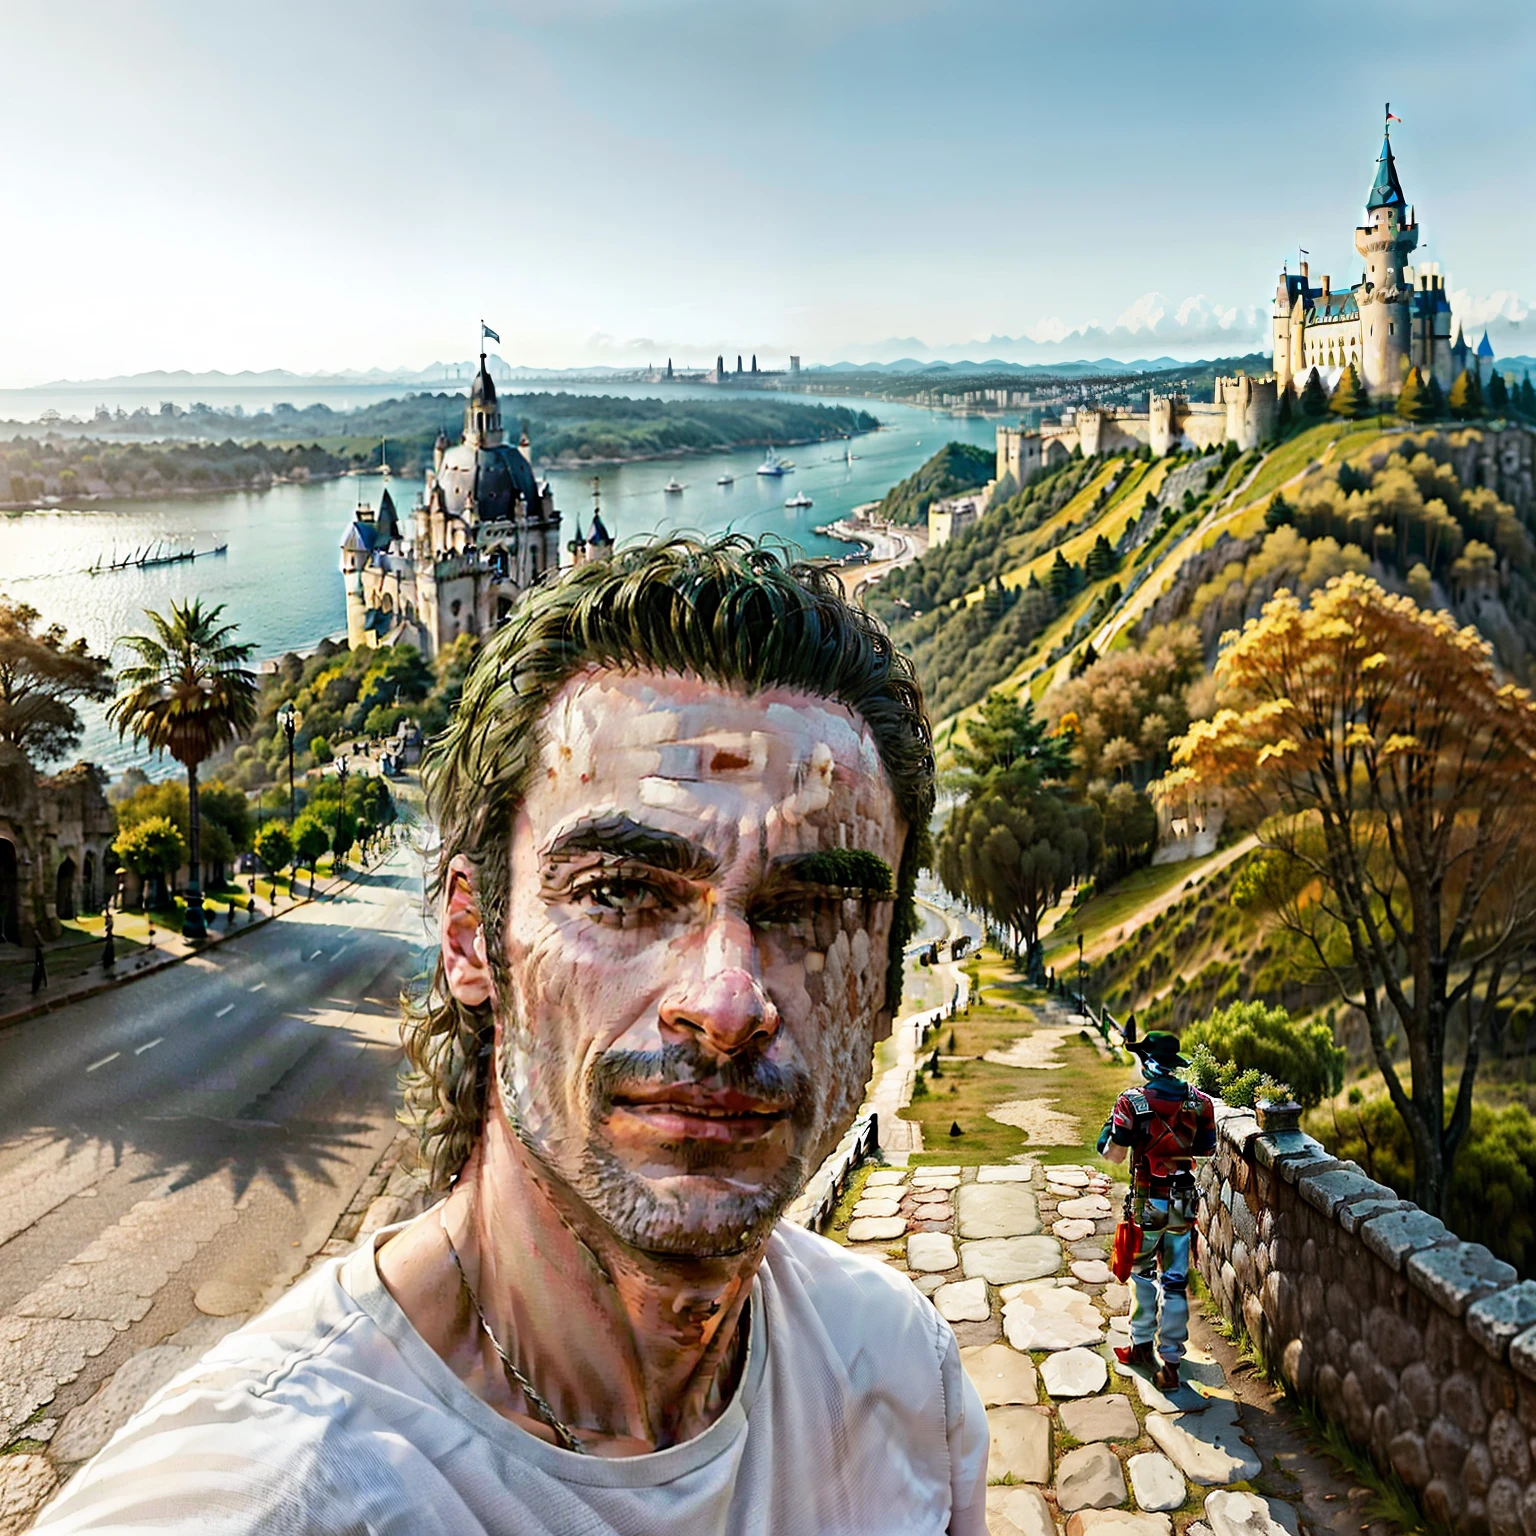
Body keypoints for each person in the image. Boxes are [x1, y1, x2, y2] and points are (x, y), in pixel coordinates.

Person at [36, 537, 989, 1534]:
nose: (726, 1001)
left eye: (812, 914)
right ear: (469, 937)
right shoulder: (256, 1498)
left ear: (884, 978)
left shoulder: (900, 1365)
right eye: (621, 893)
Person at [1096, 1029, 1215, 1390]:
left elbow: (1112, 1154)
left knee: (1143, 1275)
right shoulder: (1200, 1103)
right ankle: (1173, 1363)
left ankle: (1141, 1346)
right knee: (1175, 1281)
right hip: (1182, 1200)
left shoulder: (1132, 1102)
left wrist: (1108, 1131)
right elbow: (1206, 1149)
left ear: (1148, 1062)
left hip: (1147, 1200)